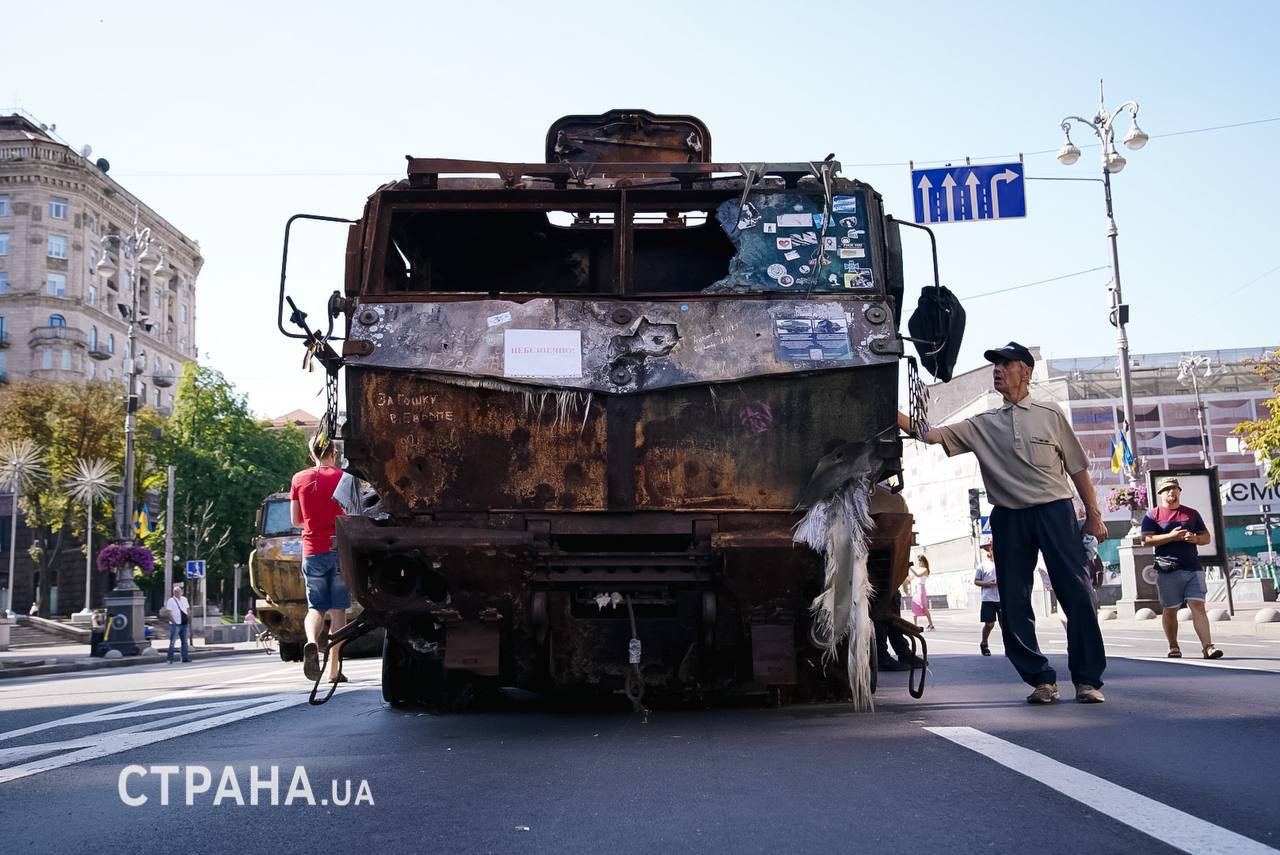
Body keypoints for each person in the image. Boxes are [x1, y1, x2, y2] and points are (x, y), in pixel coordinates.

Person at [897, 341, 1108, 704]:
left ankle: (1087, 681)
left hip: (1055, 511)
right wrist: (884, 406)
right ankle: (1041, 679)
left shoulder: (1050, 413)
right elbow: (930, 434)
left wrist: (1093, 513)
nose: (997, 369)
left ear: (1025, 371)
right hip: (1009, 518)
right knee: (1012, 601)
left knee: (1077, 595)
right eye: (995, 364)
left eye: (1005, 364)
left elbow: (1077, 467)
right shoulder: (982, 424)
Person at [1142, 477, 1222, 660]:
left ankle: (1208, 647)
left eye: (1175, 488)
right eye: (1167, 489)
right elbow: (1146, 540)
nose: (1172, 492)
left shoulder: (1191, 514)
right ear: (1161, 493)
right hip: (1168, 569)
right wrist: (1170, 536)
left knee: (1198, 606)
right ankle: (1173, 646)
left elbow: (1206, 537)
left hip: (1193, 567)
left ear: (1179, 491)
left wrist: (1195, 539)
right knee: (1170, 610)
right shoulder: (1153, 515)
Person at [290, 431, 349, 683]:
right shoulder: (345, 478)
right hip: (339, 551)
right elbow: (352, 514)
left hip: (312, 551)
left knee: (315, 607)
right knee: (339, 612)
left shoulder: (299, 478)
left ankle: (312, 642)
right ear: (333, 454)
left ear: (312, 454)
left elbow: (296, 520)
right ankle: (334, 670)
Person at [974, 537, 1001, 656]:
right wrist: (988, 584)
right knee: (989, 624)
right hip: (988, 598)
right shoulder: (982, 566)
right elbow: (976, 581)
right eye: (991, 550)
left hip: (1001, 598)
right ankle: (984, 643)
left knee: (1005, 625)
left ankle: (1010, 648)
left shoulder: (1003, 564)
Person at [165, 584, 192, 663]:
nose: (177, 593)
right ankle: (170, 659)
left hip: (184, 623)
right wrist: (173, 622)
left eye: (179, 591)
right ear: (173, 592)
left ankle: (184, 658)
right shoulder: (171, 600)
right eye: (176, 592)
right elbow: (169, 612)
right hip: (175, 624)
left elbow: (187, 609)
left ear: (181, 592)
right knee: (172, 642)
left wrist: (188, 617)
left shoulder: (184, 599)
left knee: (184, 641)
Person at [908, 555, 935, 630]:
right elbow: (910, 578)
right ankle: (915, 625)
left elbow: (917, 575)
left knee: (924, 606)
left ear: (924, 561)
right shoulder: (918, 569)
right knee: (914, 607)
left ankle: (931, 625)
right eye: (919, 561)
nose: (919, 562)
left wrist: (910, 567)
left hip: (921, 589)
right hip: (916, 589)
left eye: (920, 560)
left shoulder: (925, 570)